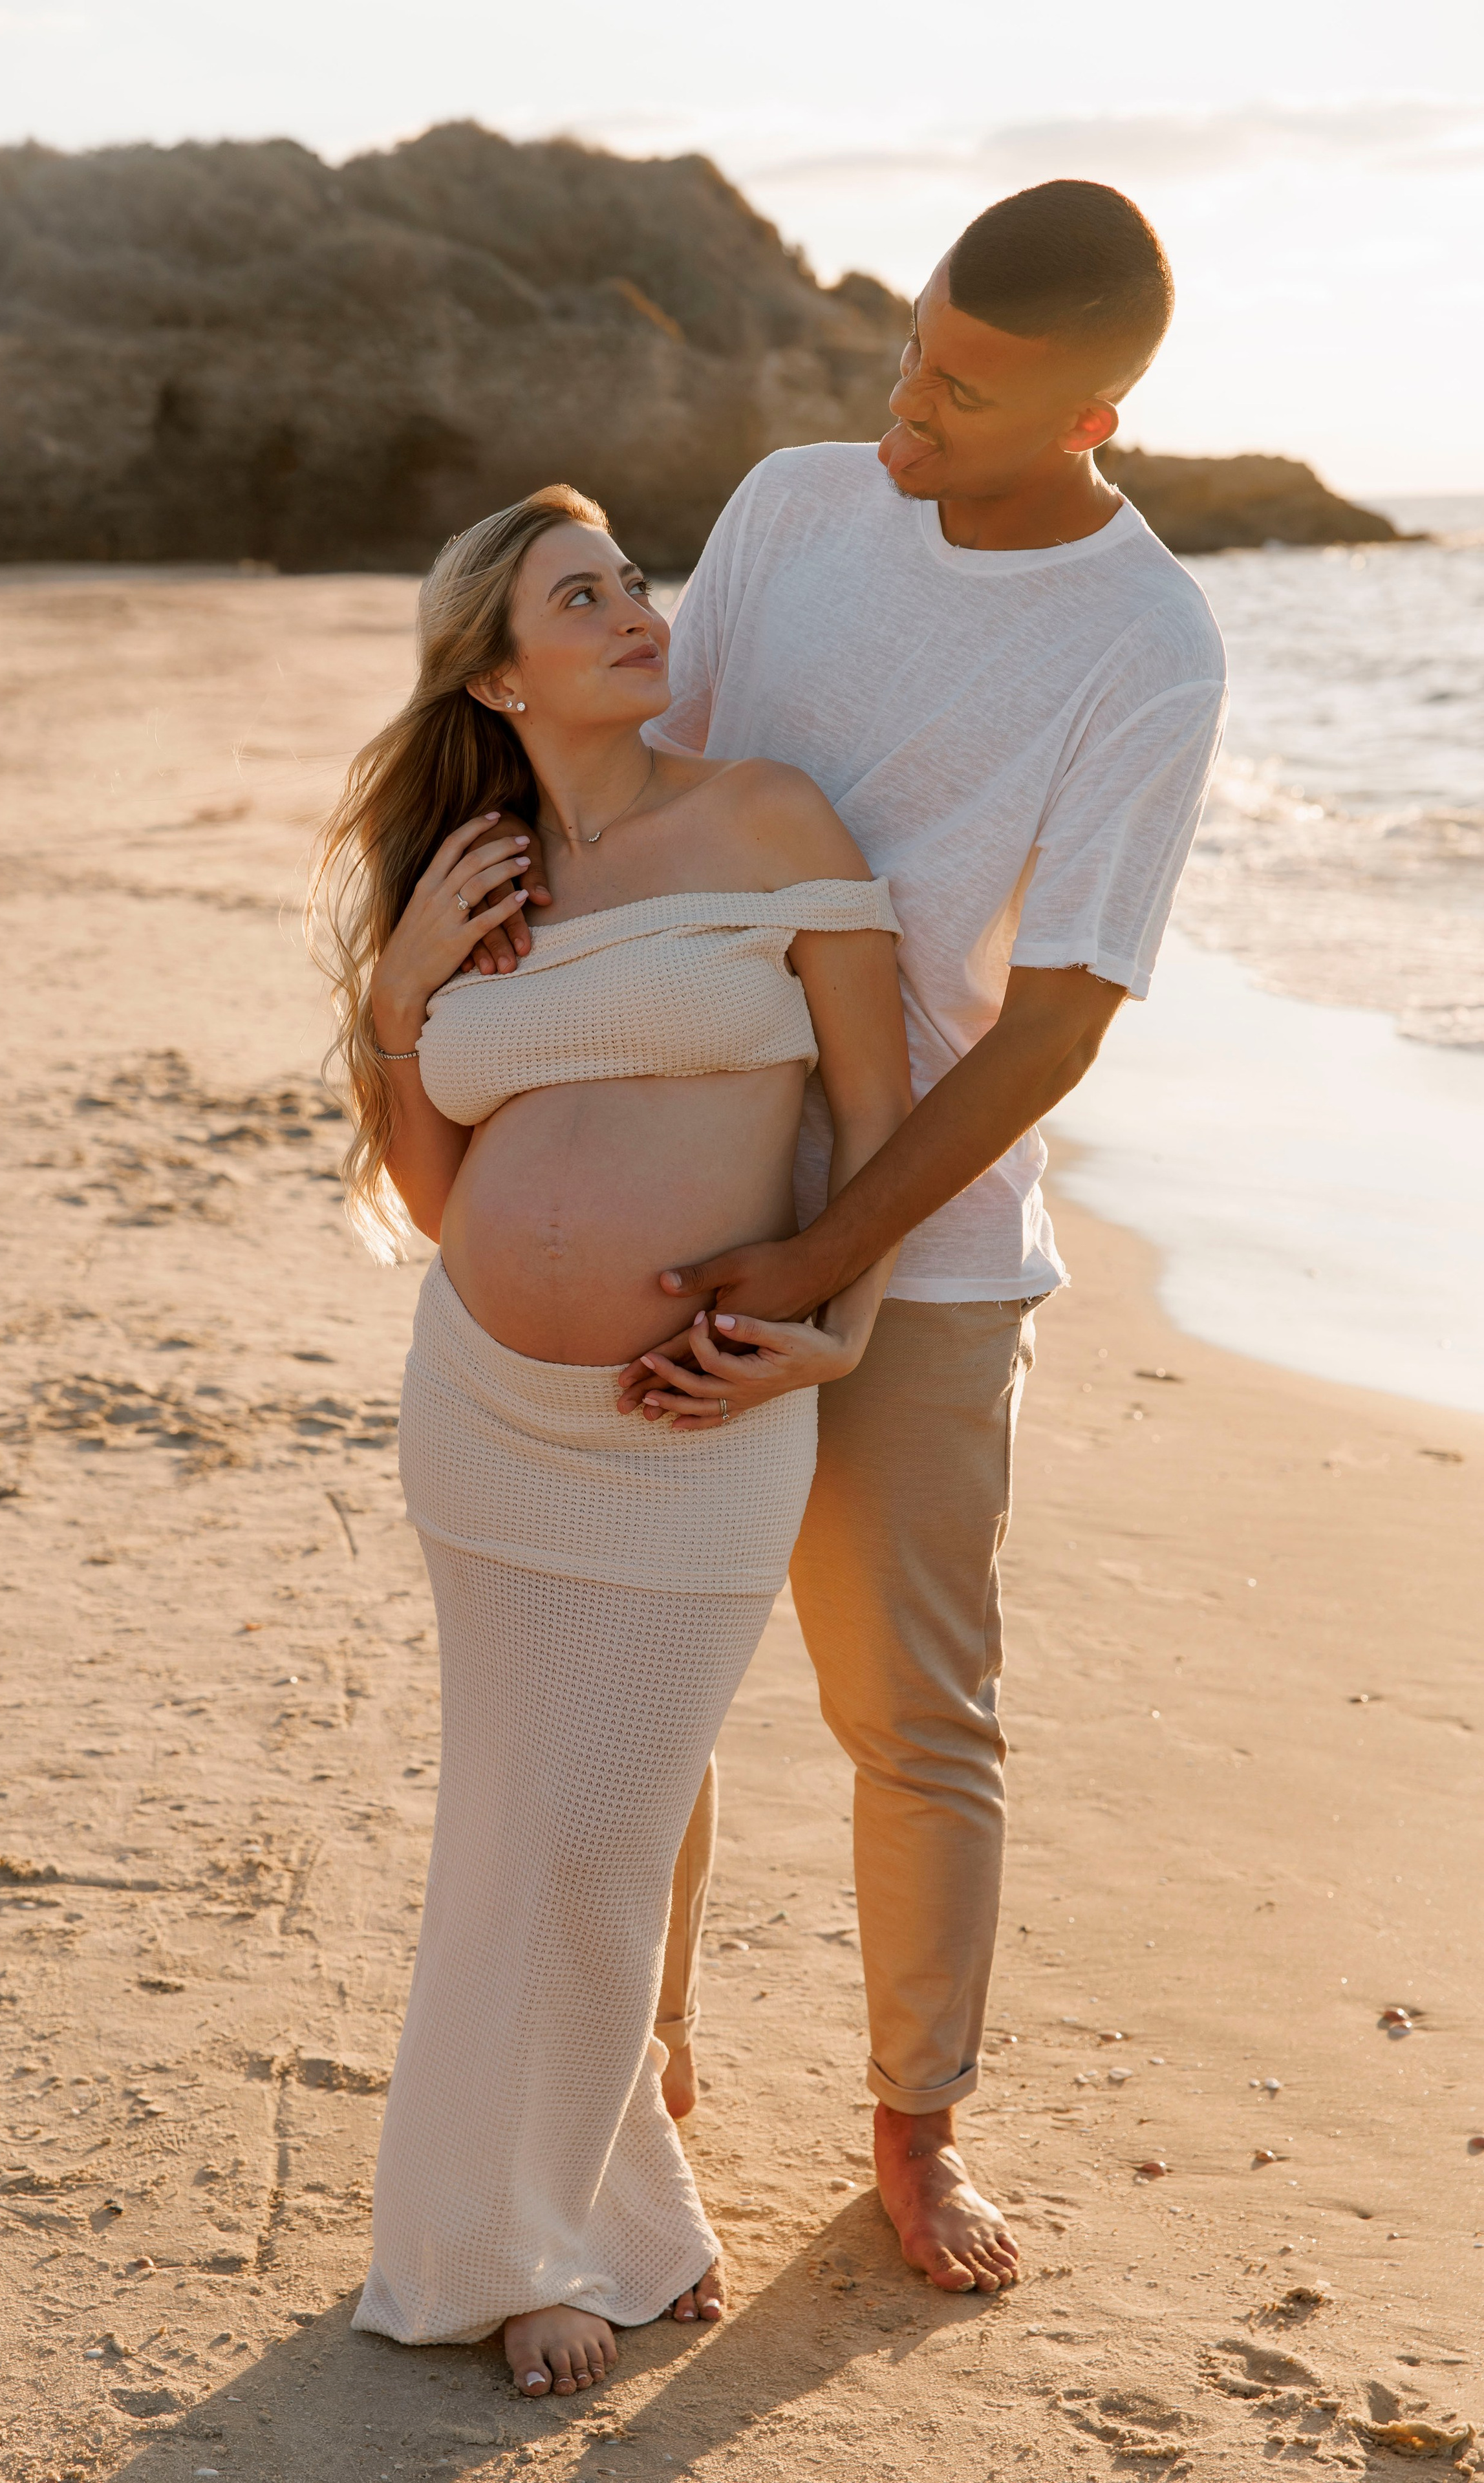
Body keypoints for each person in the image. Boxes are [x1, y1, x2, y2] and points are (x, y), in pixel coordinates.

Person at [477, 180, 1229, 2295]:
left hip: (932, 1250)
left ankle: (916, 2132)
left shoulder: (1147, 644)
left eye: (964, 392)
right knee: (651, 1686)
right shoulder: (806, 503)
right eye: (909, 351)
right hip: (681, 1205)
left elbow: (1062, 1015)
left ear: (1100, 407)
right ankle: (649, 2079)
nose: (904, 410)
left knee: (914, 1714)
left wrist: (834, 1261)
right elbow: (645, 788)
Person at [310, 484, 911, 2393]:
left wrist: (837, 1332)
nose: (638, 609)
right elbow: (424, 1182)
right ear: (498, 671)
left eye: (636, 579)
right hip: (486, 1411)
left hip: (693, 1422)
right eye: (586, 595)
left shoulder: (772, 819)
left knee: (597, 1832)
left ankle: (543, 2235)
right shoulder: (479, 878)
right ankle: (576, 2238)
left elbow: (888, 1132)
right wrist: (401, 995)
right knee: (515, 1829)